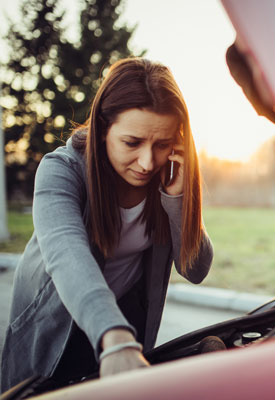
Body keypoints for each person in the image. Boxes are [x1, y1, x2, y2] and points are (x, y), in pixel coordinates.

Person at [0, 58, 214, 391]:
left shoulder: (168, 178)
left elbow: (196, 269)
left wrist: (179, 199)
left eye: (162, 145)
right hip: (58, 336)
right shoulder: (61, 171)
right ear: (103, 129)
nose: (147, 162)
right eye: (132, 143)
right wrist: (114, 338)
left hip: (126, 333)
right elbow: (67, 257)